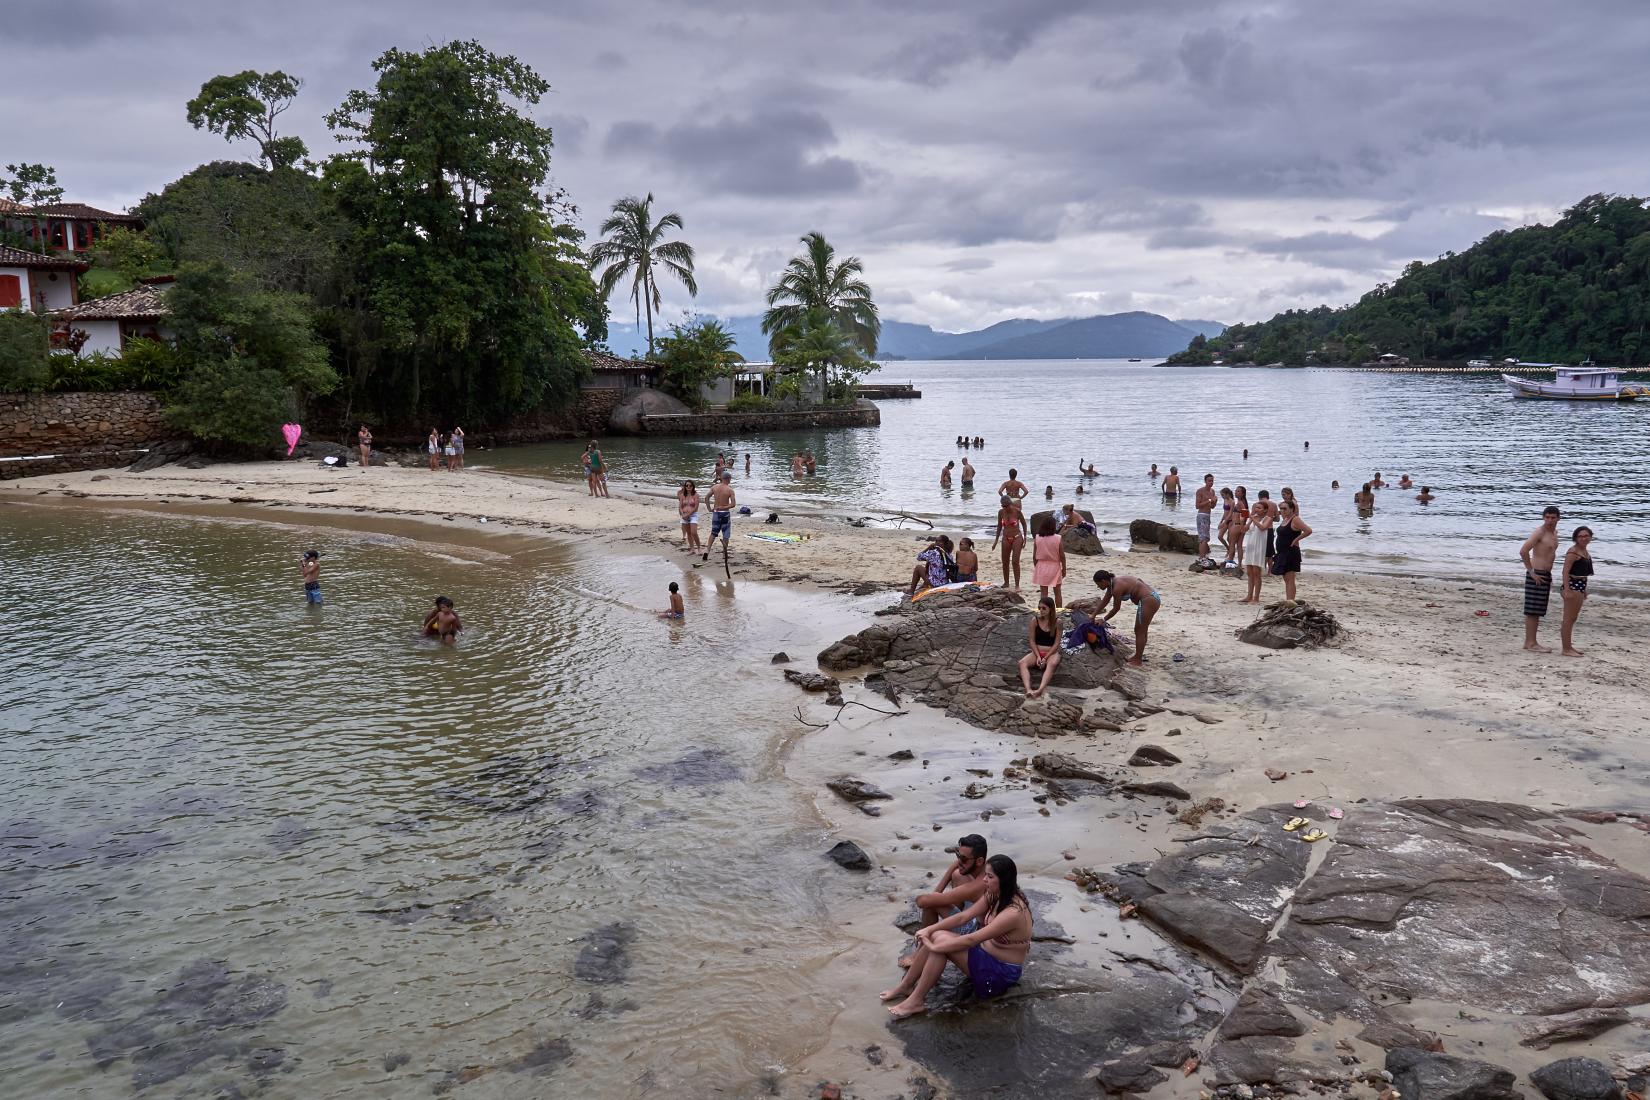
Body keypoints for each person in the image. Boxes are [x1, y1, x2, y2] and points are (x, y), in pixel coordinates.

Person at [881, 854, 1032, 1019]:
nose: (984, 880)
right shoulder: (994, 895)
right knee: (936, 935)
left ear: (1004, 880)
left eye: (990, 876)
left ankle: (916, 1000)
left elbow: (972, 939)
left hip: (998, 975)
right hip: (983, 958)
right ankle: (906, 986)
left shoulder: (1013, 912)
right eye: (985, 875)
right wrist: (930, 929)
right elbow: (963, 917)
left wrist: (934, 946)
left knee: (940, 944)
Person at [907, 834, 991, 940]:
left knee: (931, 904)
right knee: (958, 875)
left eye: (963, 859)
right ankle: (948, 926)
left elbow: (922, 901)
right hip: (975, 914)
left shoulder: (976, 887)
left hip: (976, 931)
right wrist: (957, 865)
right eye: (958, 855)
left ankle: (923, 942)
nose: (959, 861)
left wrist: (935, 898)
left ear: (979, 861)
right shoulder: (989, 868)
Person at [1093, 570, 1162, 667]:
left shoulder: (1117, 588)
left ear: (1103, 581)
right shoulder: (1112, 583)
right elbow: (1105, 601)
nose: (1098, 587)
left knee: (1139, 631)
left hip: (1148, 599)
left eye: (1098, 584)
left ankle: (1138, 660)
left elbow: (1116, 608)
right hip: (1152, 597)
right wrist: (1093, 615)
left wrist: (1103, 619)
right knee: (1141, 629)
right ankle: (1138, 656)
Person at [1520, 505, 1562, 653]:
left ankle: (1530, 642)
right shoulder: (1540, 532)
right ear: (1543, 517)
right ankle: (1531, 643)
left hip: (1544, 575)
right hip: (1536, 574)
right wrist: (1531, 572)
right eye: (1547, 517)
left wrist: (1549, 576)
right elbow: (1524, 550)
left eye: (1553, 517)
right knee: (1532, 611)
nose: (1550, 520)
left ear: (1558, 518)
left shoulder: (1554, 533)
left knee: (1538, 610)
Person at [1559, 526, 1594, 657]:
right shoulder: (1573, 552)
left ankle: (1569, 647)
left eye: (1586, 535)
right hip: (1572, 586)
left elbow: (1583, 573)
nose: (1584, 538)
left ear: (1590, 537)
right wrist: (1567, 590)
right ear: (1575, 538)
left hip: (1580, 586)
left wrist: (1584, 589)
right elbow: (1565, 571)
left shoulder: (1584, 551)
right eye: (1580, 536)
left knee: (1573, 618)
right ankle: (1566, 649)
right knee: (1568, 619)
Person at [1018, 596, 1062, 698]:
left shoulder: (1057, 622)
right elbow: (1032, 640)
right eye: (1039, 608)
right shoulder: (1035, 620)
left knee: (1052, 664)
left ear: (1050, 609)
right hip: (1037, 651)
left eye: (1044, 608)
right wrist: (1038, 656)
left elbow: (1057, 643)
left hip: (1051, 653)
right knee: (1022, 663)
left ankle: (1040, 690)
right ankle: (1028, 689)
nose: (1041, 610)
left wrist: (1045, 658)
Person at [1270, 500, 1312, 600]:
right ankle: (1289, 600)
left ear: (1292, 509)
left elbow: (1308, 530)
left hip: (1290, 552)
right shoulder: (1285, 519)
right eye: (1281, 509)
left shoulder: (1295, 519)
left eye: (1285, 508)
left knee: (1290, 579)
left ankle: (1290, 601)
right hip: (1282, 552)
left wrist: (1296, 539)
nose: (1282, 511)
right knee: (1286, 578)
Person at [1241, 494, 1272, 603]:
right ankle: (1249, 595)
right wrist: (1247, 520)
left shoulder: (1268, 518)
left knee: (1256, 572)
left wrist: (1253, 519)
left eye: (1259, 508)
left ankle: (1256, 597)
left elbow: (1263, 528)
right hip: (1250, 545)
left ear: (1265, 510)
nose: (1256, 509)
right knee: (1249, 572)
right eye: (1256, 507)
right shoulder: (1253, 518)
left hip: (1259, 547)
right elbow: (1245, 530)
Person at [990, 495, 1026, 588]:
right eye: (1003, 506)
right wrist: (996, 541)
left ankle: (1017, 585)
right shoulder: (1001, 512)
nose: (1004, 508)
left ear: (1010, 504)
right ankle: (1006, 582)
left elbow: (1024, 524)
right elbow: (999, 526)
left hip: (1017, 537)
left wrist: (1025, 538)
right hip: (1006, 537)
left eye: (1006, 506)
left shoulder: (1017, 511)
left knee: (1015, 561)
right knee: (1005, 561)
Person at [1032, 516, 1066, 608]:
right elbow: (1062, 555)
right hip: (1054, 566)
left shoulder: (1037, 537)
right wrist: (1064, 569)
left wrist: (1036, 566)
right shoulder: (1058, 538)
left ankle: (1043, 610)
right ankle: (1059, 610)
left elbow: (1034, 556)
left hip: (1041, 565)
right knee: (1057, 592)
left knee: (1043, 593)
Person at [703, 472, 735, 562]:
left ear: (721, 478)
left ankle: (707, 550)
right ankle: (724, 554)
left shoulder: (715, 487)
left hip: (716, 513)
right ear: (729, 479)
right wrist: (724, 507)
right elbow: (733, 504)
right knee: (726, 534)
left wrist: (709, 508)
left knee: (713, 532)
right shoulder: (730, 490)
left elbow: (706, 498)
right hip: (725, 513)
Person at [1194, 474, 1217, 557]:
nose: (1211, 482)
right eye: (1209, 481)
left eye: (1212, 481)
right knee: (1203, 538)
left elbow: (1212, 507)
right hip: (1202, 515)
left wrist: (1215, 501)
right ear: (1205, 481)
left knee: (1206, 538)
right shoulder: (1200, 491)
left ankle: (1203, 557)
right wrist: (1209, 500)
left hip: (1208, 515)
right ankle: (1202, 557)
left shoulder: (1212, 491)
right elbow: (1197, 505)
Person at [678, 481, 702, 552]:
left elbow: (696, 508)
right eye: (687, 485)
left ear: (693, 487)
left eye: (690, 485)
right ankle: (692, 549)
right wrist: (682, 515)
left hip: (693, 515)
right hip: (684, 515)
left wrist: (688, 515)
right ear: (685, 486)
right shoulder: (682, 495)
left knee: (694, 532)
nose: (688, 487)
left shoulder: (696, 495)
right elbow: (680, 507)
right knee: (688, 533)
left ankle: (699, 548)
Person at [1216, 487, 1235, 560]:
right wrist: (1221, 521)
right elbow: (1225, 512)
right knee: (1220, 536)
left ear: (1227, 494)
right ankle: (1228, 549)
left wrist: (1224, 522)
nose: (1222, 496)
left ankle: (1231, 554)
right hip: (1225, 520)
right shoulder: (1225, 500)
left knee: (1229, 538)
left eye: (1223, 495)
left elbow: (1230, 514)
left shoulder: (1232, 502)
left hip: (1230, 521)